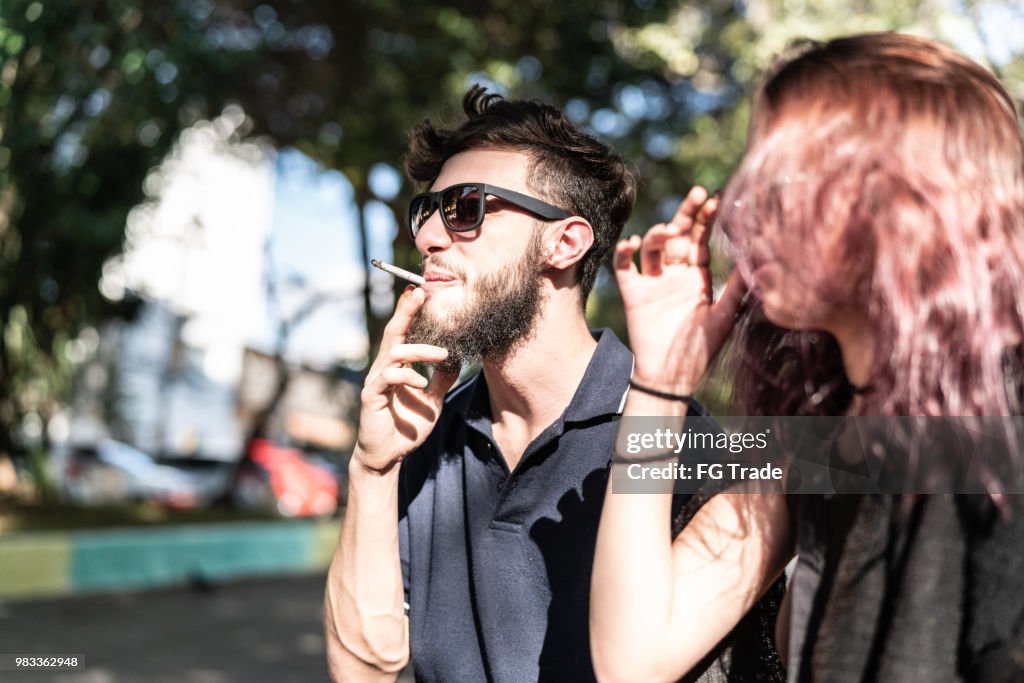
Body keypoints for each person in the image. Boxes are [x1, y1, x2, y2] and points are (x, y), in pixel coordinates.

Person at [591, 32, 1024, 682]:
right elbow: (633, 657)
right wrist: (659, 382)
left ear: (908, 196)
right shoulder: (819, 443)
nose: (741, 219)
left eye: (783, 184)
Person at [323, 85, 646, 682]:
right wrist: (371, 471)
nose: (427, 239)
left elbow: (849, 462)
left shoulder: (666, 427)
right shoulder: (421, 437)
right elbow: (363, 672)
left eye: (467, 207)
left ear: (564, 242)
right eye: (427, 212)